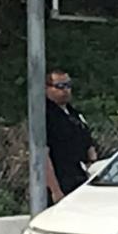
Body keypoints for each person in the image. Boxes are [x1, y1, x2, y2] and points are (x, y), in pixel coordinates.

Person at [45, 69, 97, 204]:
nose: (65, 90)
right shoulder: (46, 116)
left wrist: (92, 164)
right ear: (47, 88)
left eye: (68, 85)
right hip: (61, 179)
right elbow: (43, 156)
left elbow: (88, 141)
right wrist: (55, 191)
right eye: (60, 86)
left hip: (81, 177)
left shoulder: (74, 113)